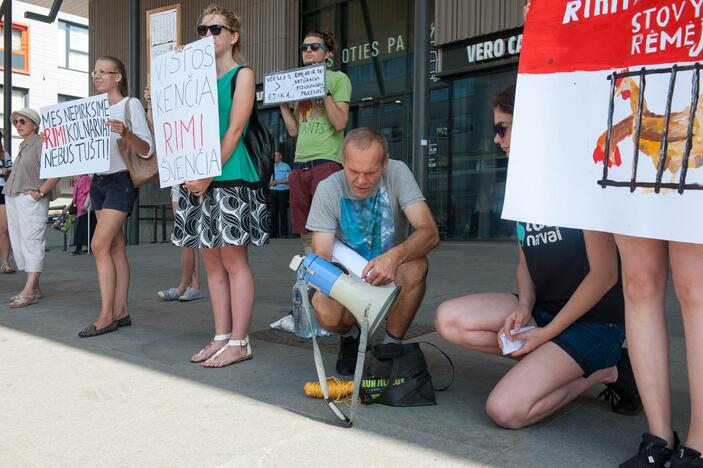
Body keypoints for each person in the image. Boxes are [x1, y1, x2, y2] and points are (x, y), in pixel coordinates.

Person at [434, 85, 641, 430]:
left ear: (531, 123)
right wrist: (524, 308)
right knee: (449, 319)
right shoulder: (522, 184)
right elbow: (525, 261)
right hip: (544, 311)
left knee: (506, 410)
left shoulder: (580, 178)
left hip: (594, 322)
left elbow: (604, 275)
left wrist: (545, 335)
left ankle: (608, 369)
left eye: (503, 128)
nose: (496, 139)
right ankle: (551, 359)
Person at [173, 4, 269, 367]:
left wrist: (208, 173)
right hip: (197, 177)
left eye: (215, 29)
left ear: (233, 35)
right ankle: (221, 335)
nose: (207, 35)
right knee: (211, 262)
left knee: (234, 261)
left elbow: (235, 130)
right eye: (202, 30)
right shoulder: (193, 78)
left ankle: (240, 341)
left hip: (229, 175)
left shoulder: (242, 74)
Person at [306, 127, 439, 375]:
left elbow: (429, 232)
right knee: (324, 306)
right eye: (353, 171)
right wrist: (335, 284)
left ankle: (390, 347)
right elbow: (322, 253)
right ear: (342, 162)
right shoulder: (329, 188)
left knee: (417, 265)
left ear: (385, 163)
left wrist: (394, 256)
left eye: (371, 172)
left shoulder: (398, 172)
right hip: (346, 274)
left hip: (390, 272)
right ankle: (350, 335)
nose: (361, 180)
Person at [78, 56, 154, 337]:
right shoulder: (92, 109)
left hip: (120, 181)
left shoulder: (130, 104)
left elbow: (147, 149)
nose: (96, 76)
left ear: (118, 76)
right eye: (94, 72)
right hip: (98, 182)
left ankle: (106, 315)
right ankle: (120, 311)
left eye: (102, 72)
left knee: (99, 246)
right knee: (114, 248)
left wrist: (126, 131)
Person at [279, 30, 351, 253]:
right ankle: (313, 276)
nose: (308, 50)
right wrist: (281, 102)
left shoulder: (338, 78)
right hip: (300, 163)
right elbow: (293, 130)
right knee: (304, 227)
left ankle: (335, 276)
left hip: (326, 161)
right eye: (304, 47)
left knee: (329, 225)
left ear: (327, 53)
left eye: (314, 47)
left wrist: (323, 92)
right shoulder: (297, 82)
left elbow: (340, 123)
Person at [144, 86, 203, 303]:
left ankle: (186, 285)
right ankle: (190, 284)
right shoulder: (172, 117)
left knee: (190, 236)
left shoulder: (197, 112)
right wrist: (151, 103)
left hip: (196, 175)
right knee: (185, 235)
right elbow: (154, 127)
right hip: (178, 178)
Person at [2, 108, 61, 307]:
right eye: (16, 122)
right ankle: (34, 288)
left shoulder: (42, 142)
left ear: (35, 124)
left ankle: (29, 290)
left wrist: (40, 192)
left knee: (32, 241)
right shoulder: (24, 145)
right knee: (20, 242)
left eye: (23, 121)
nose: (18, 125)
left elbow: (58, 169)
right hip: (15, 198)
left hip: (31, 199)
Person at [0, 128, 15, 273]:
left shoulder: (5, 155)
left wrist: (7, 173)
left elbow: (11, 176)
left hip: (2, 191)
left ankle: (5, 263)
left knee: (4, 228)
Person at [69, 174, 93, 256]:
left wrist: (86, 205)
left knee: (83, 229)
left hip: (84, 209)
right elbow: (75, 198)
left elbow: (89, 192)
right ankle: (86, 247)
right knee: (82, 229)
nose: (72, 177)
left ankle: (79, 248)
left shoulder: (85, 178)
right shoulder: (78, 181)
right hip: (79, 210)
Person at [269, 151, 291, 238]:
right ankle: (273, 233)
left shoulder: (286, 166)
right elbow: (268, 179)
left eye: (276, 155)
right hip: (272, 192)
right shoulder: (271, 166)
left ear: (280, 156)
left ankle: (284, 234)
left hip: (282, 192)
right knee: (273, 213)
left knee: (283, 212)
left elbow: (290, 180)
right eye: (273, 156)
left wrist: (278, 182)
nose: (274, 157)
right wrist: (270, 182)